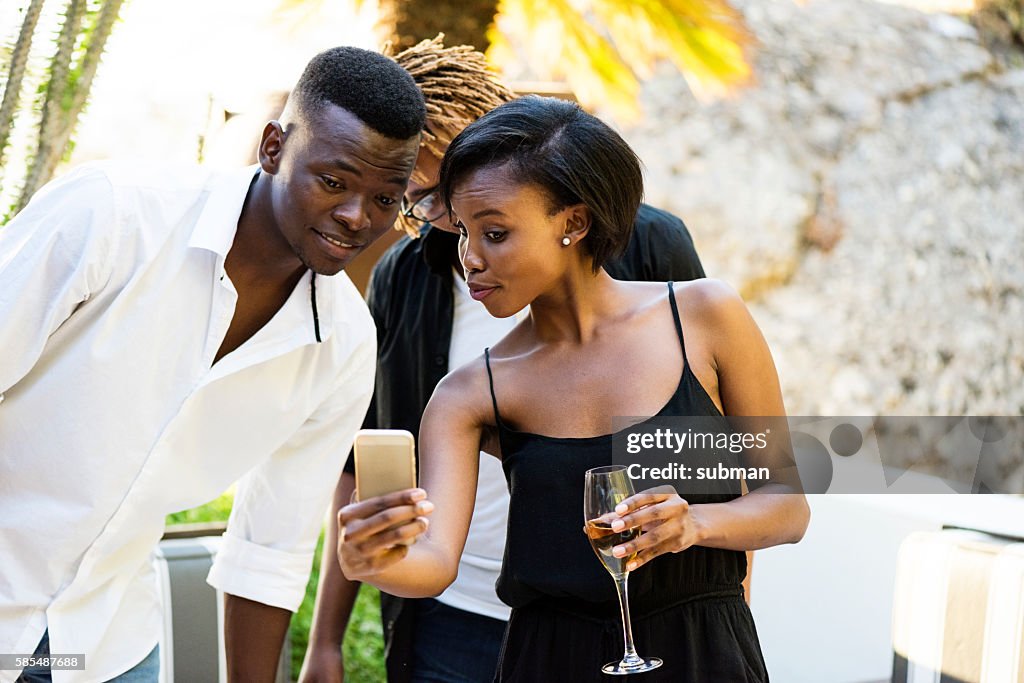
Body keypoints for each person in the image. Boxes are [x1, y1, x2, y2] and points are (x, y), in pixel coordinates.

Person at [337, 95, 811, 682]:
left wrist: (695, 524)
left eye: (495, 233)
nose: (469, 259)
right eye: (463, 231)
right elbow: (433, 564)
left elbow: (787, 507)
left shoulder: (705, 316)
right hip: (549, 660)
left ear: (574, 223)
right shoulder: (470, 392)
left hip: (701, 651)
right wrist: (373, 561)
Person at [0, 47, 425, 683]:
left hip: (104, 649)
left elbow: (268, 550)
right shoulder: (111, 215)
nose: (356, 217)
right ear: (274, 146)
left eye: (385, 198)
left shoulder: (343, 346)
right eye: (334, 182)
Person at [299, 37, 707, 683]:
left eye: (443, 193)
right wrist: (326, 640)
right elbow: (365, 460)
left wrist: (723, 620)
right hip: (448, 619)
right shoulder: (404, 278)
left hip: (622, 613)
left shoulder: (652, 246)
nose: (435, 222)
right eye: (417, 202)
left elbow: (712, 458)